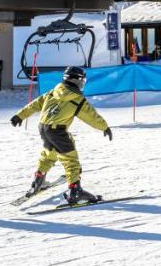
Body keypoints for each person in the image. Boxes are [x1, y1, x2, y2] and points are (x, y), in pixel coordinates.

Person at [10, 65, 113, 205]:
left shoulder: (53, 91)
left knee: (49, 153)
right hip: (58, 131)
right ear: (78, 80)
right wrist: (104, 127)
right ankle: (75, 191)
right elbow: (91, 116)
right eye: (83, 80)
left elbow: (35, 104)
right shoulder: (77, 99)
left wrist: (19, 115)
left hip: (43, 128)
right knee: (70, 160)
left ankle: (39, 180)